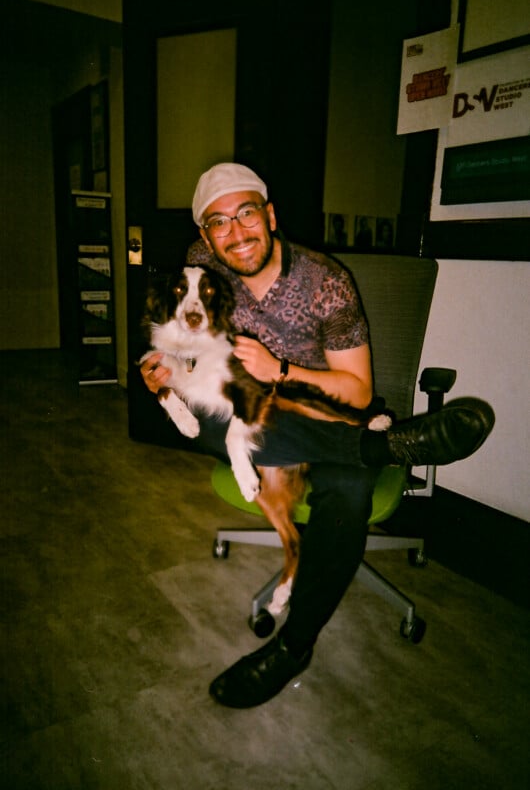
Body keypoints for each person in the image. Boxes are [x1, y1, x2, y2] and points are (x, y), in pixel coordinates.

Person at [141, 163, 494, 709]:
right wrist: (164, 371)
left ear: (271, 214)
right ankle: (382, 446)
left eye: (247, 213)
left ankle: (292, 648)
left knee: (347, 493)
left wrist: (282, 370)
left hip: (324, 414)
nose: (235, 232)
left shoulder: (326, 284)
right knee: (213, 415)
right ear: (205, 236)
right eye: (218, 223)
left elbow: (356, 393)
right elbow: (184, 344)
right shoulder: (203, 266)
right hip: (251, 417)